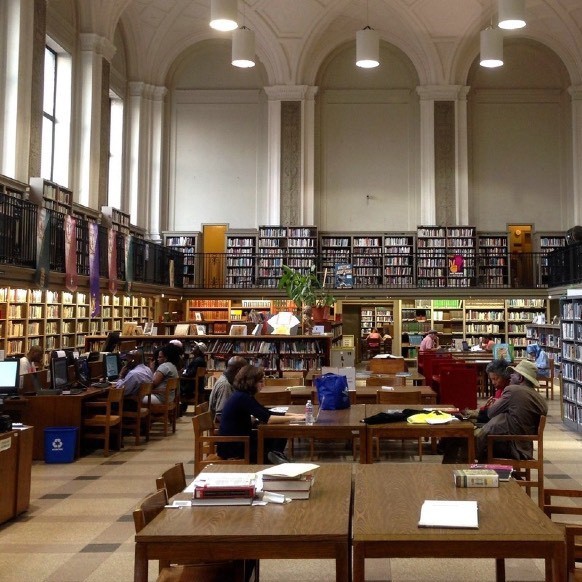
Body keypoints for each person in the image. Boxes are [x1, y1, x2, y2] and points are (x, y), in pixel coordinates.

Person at [217, 365, 304, 463]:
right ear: (251, 382)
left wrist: (294, 415)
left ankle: (275, 458)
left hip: (239, 440)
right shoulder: (243, 398)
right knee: (279, 433)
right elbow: (268, 418)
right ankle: (272, 459)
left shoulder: (242, 395)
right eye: (261, 382)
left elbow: (266, 412)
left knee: (279, 434)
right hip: (234, 446)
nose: (263, 385)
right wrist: (295, 419)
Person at [474, 360, 548, 461]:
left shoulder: (513, 390)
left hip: (510, 446)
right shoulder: (538, 398)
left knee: (467, 440)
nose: (510, 376)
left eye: (514, 374)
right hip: (525, 447)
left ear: (520, 378)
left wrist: (496, 403)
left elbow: (491, 413)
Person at [464, 359, 511, 424]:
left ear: (505, 376)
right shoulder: (500, 390)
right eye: (491, 379)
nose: (493, 382)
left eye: (495, 379)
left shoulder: (510, 390)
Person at [208, 355, 248, 421]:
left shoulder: (228, 380)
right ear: (239, 370)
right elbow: (221, 415)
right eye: (245, 371)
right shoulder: (225, 385)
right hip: (223, 427)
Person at [180, 341, 207, 414]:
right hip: (198, 384)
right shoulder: (201, 360)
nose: (193, 348)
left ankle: (179, 409)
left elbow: (190, 374)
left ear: (198, 351)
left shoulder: (197, 360)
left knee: (175, 386)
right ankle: (183, 407)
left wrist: (182, 374)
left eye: (195, 347)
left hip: (191, 385)